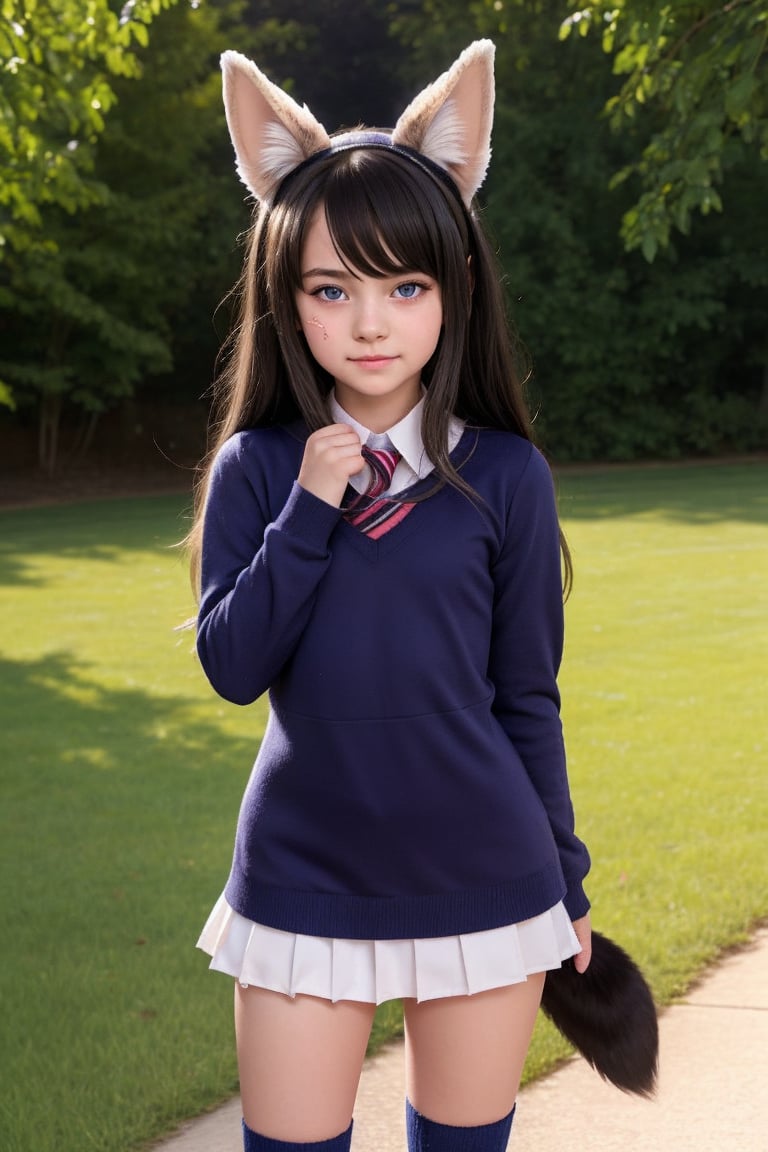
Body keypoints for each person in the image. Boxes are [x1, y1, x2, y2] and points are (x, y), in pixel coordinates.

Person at [190, 40, 592, 1152]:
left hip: (487, 873)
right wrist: (309, 508)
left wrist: (568, 881)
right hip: (301, 874)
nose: (372, 324)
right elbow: (232, 668)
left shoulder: (506, 475)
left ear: (453, 286)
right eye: (333, 289)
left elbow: (527, 697)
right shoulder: (260, 470)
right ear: (288, 295)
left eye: (405, 286)